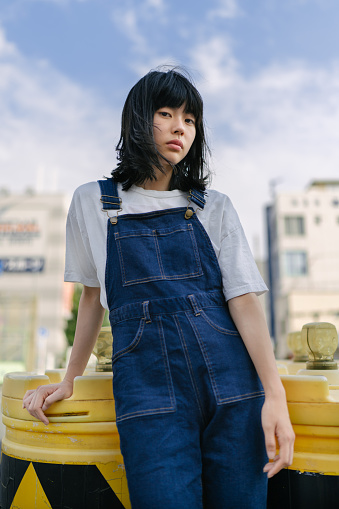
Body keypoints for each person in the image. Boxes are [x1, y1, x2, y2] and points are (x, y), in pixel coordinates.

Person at [23, 67, 295, 509]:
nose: (179, 128)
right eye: (165, 114)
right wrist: (70, 378)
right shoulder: (93, 202)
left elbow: (243, 301)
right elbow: (92, 298)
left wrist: (275, 396)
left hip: (233, 388)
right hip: (147, 390)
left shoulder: (214, 207)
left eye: (189, 120)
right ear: (136, 121)